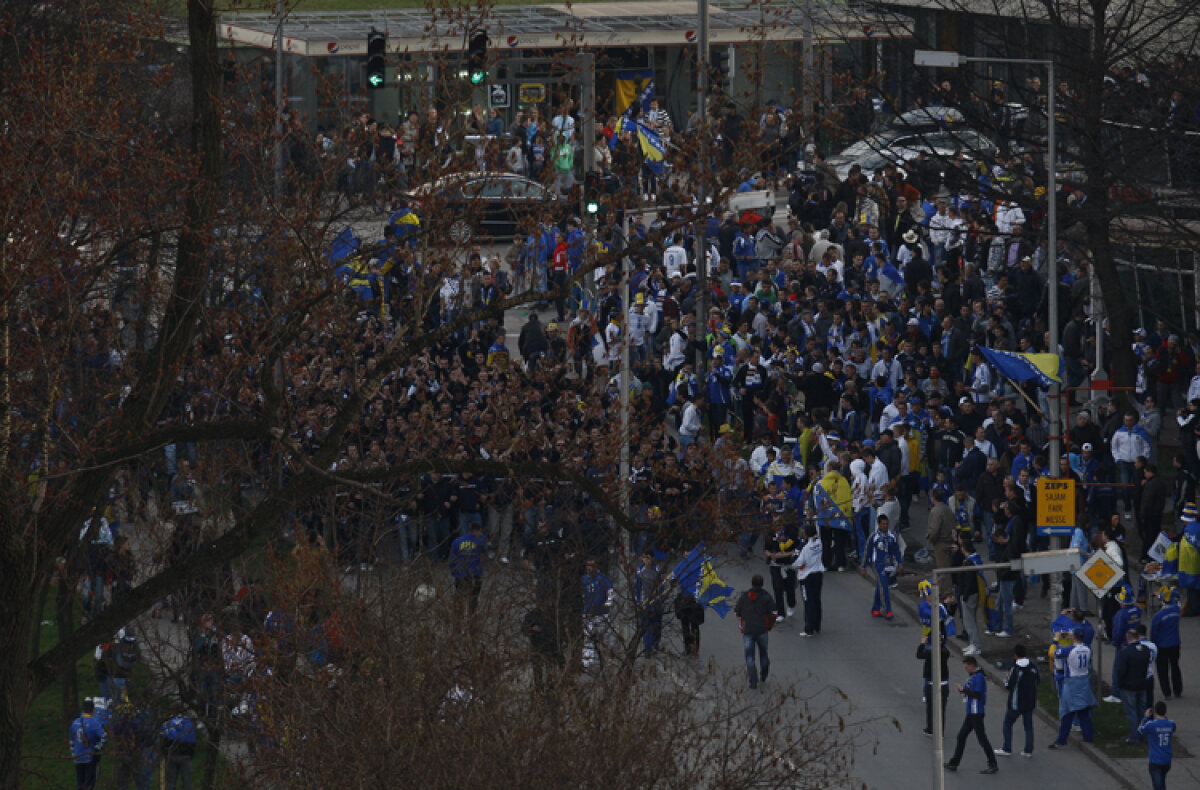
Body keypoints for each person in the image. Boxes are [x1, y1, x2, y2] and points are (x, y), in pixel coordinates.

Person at [945, 656, 999, 774]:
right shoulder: (975, 676)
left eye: (966, 667)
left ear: (972, 665)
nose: (965, 669)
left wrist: (963, 690)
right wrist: (963, 690)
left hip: (976, 712)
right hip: (971, 712)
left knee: (981, 739)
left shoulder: (979, 677)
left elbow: (977, 694)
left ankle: (992, 763)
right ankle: (954, 762)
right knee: (961, 736)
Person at [1049, 627, 1097, 748]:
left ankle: (1061, 739)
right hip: (1084, 681)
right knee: (1083, 710)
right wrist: (1071, 636)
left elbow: (1052, 653)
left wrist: (1056, 639)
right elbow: (1080, 642)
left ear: (1074, 637)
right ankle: (1088, 735)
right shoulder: (1087, 648)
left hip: (1071, 682)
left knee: (1067, 711)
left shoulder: (1068, 650)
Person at [997, 644, 1040, 757]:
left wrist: (1006, 679)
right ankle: (1028, 750)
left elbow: (1009, 685)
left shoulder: (1015, 669)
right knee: (1028, 727)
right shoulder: (1032, 667)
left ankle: (1007, 748)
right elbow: (1038, 681)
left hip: (1016, 703)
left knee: (1007, 724)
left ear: (1015, 655)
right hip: (1030, 702)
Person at [734, 574, 776, 690]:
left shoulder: (745, 596)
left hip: (748, 630)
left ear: (751, 583)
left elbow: (737, 611)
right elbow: (773, 613)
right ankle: (764, 674)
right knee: (763, 653)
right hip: (762, 630)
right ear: (762, 584)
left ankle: (753, 679)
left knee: (749, 656)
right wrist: (769, 626)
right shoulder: (767, 597)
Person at [1116, 625, 1155, 743]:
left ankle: (1134, 736)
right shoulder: (1146, 650)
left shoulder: (1125, 652)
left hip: (1129, 686)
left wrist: (1120, 684)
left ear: (1128, 638)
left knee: (1132, 711)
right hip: (1142, 684)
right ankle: (1143, 734)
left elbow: (1121, 671)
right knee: (1142, 710)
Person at [862, 513, 903, 619]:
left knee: (880, 587)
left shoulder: (892, 536)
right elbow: (867, 552)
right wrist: (864, 566)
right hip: (878, 565)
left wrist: (900, 563)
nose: (885, 526)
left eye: (887, 524)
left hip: (889, 565)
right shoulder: (874, 537)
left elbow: (897, 551)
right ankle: (887, 610)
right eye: (883, 524)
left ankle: (875, 609)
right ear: (879, 524)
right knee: (884, 587)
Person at [581, 558, 615, 670]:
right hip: (588, 613)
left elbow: (610, 593)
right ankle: (586, 663)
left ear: (596, 566)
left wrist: (608, 603)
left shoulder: (604, 579)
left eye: (591, 565)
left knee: (605, 637)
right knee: (588, 638)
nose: (589, 568)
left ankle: (608, 660)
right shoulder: (584, 579)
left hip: (602, 614)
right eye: (587, 566)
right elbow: (581, 593)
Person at [448, 521, 487, 615]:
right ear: (479, 531)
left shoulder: (457, 541)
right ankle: (471, 618)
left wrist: (454, 573)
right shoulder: (481, 540)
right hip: (475, 575)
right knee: (473, 599)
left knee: (459, 599)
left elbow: (452, 560)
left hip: (460, 575)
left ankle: (458, 619)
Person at [1150, 585, 1183, 698]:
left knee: (1162, 670)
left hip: (1162, 645)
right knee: (1175, 666)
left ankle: (1167, 692)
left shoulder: (1158, 616)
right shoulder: (1177, 610)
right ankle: (1178, 690)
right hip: (1175, 643)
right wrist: (1160, 595)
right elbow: (1172, 599)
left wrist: (1153, 644)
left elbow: (1154, 632)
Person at [793, 524, 825, 636]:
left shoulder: (805, 548)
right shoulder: (819, 542)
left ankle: (809, 628)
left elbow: (798, 562)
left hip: (807, 577)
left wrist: (794, 558)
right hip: (818, 574)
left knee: (808, 602)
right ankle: (817, 626)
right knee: (816, 600)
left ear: (806, 534)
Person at [917, 632, 950, 736]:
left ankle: (930, 729)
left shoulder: (930, 652)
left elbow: (919, 655)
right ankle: (941, 731)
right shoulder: (945, 652)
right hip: (944, 683)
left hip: (932, 683)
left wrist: (922, 644)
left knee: (931, 707)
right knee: (941, 709)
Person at [1138, 701, 1176, 790]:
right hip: (1167, 760)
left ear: (1155, 711)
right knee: (1162, 782)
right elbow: (1172, 728)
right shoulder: (1171, 724)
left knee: (1158, 786)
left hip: (1155, 761)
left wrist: (1146, 717)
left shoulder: (1151, 725)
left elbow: (1140, 730)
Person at [70, 698, 107, 790]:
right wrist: (97, 747)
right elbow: (104, 736)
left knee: (80, 784)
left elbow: (71, 740)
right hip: (90, 757)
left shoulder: (75, 723)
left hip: (78, 757)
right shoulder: (94, 723)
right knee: (89, 784)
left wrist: (73, 753)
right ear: (93, 710)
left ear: (83, 710)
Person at [764, 522, 797, 622]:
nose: (776, 527)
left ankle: (791, 604)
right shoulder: (770, 534)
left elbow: (795, 549)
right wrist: (770, 555)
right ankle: (780, 612)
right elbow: (766, 549)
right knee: (777, 588)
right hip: (775, 566)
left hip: (788, 565)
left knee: (790, 588)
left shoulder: (790, 533)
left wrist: (784, 555)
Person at [634, 551, 665, 656]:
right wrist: (638, 601)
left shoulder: (657, 570)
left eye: (648, 558)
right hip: (644, 603)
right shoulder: (639, 571)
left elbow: (662, 587)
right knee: (645, 626)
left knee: (656, 627)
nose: (646, 560)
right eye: (644, 558)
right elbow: (637, 588)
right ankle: (647, 648)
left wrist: (660, 599)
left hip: (656, 603)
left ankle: (655, 645)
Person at [159, 714, 197, 790]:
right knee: (187, 782)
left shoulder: (168, 724)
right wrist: (191, 754)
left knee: (170, 783)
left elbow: (164, 740)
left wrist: (165, 753)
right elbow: (192, 741)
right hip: (185, 756)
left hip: (171, 756)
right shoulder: (189, 724)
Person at [674, 590, 705, 656]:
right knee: (694, 625)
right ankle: (694, 648)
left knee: (685, 625)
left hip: (683, 600)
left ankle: (688, 648)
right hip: (694, 600)